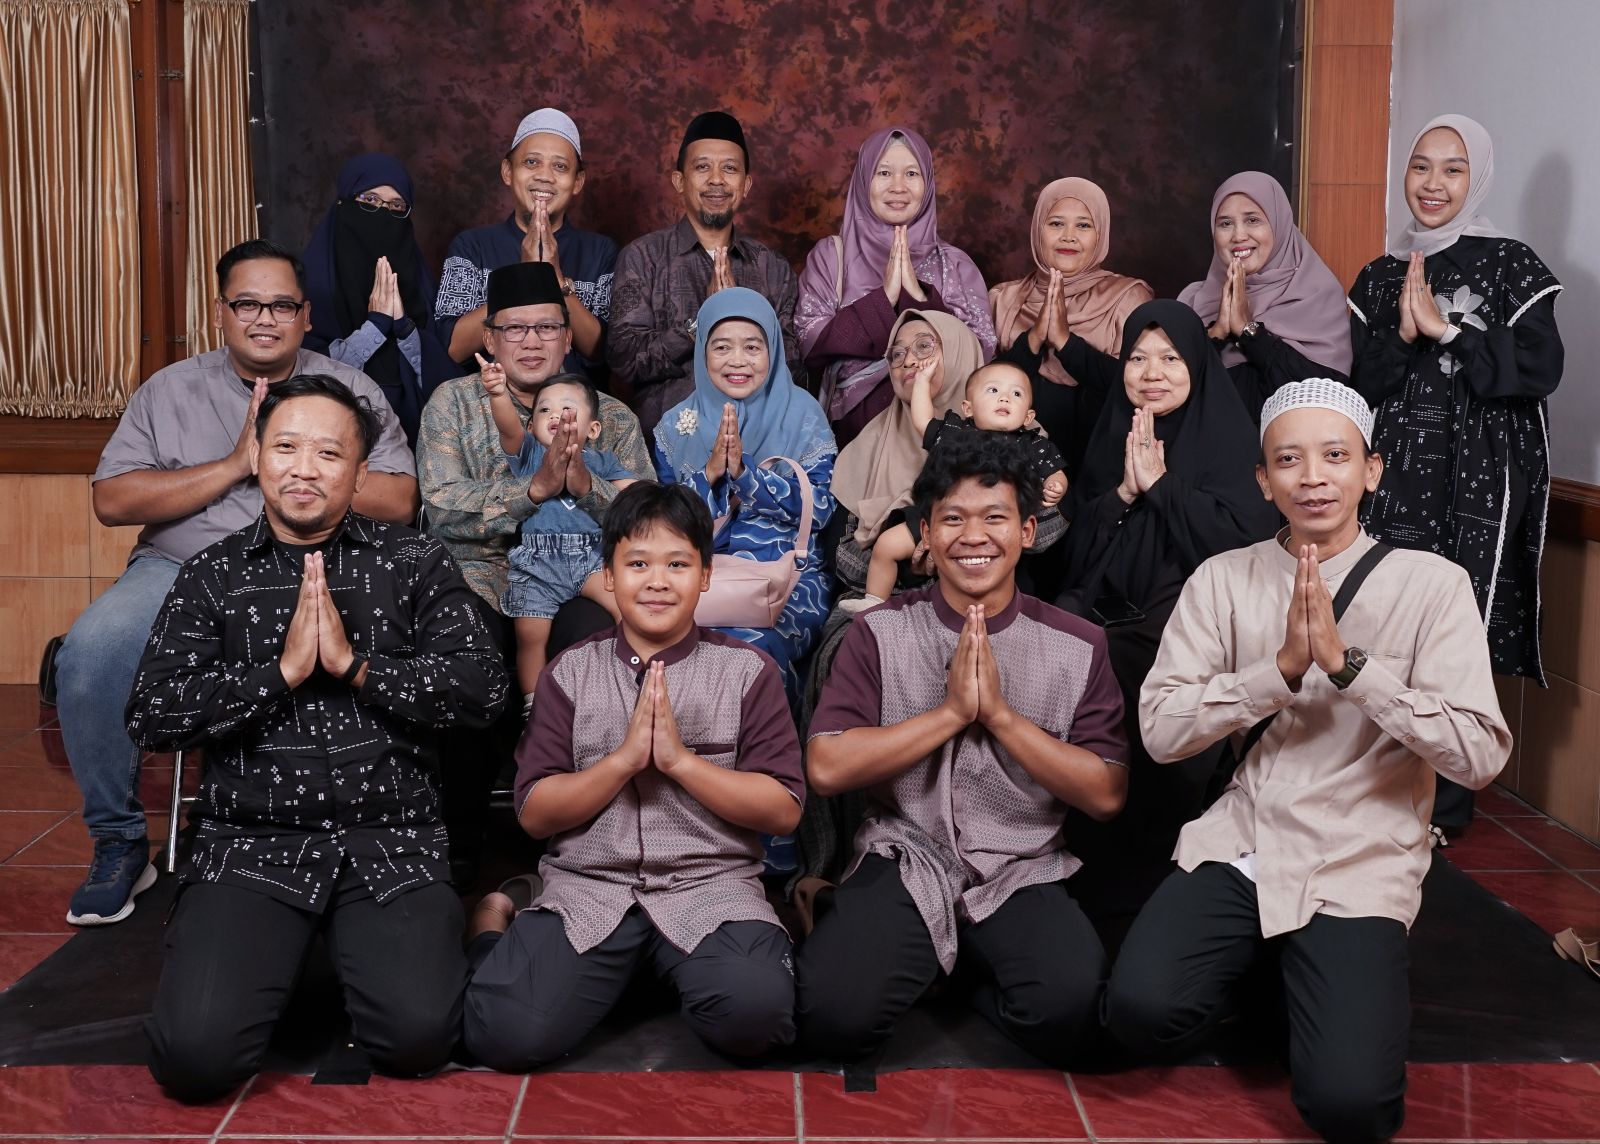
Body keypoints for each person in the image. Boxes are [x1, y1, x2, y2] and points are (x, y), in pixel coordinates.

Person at [1106, 379, 1511, 1144]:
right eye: (1289, 460)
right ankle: (1278, 964)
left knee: (1350, 1106)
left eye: (1335, 456)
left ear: (1372, 470)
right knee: (1139, 1014)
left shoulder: (1432, 585)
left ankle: (1317, 970)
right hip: (1246, 840)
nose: (1313, 477)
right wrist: (1279, 672)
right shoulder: (1223, 580)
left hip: (1360, 854)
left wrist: (1350, 668)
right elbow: (1161, 732)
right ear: (1265, 481)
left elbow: (1479, 754)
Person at [127, 375, 509, 1102]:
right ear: (257, 458)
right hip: (252, 842)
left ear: (360, 474)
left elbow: (484, 689)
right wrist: (280, 674)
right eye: (286, 448)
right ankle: (286, 946)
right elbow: (152, 714)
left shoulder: (414, 563)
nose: (305, 469)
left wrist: (358, 669)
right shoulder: (212, 575)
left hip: (390, 840)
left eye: (329, 453)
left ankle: (463, 930)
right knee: (194, 1062)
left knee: (418, 1042)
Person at [56, 239, 418, 928]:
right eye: (247, 303)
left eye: (281, 305)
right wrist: (235, 465)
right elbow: (112, 500)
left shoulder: (349, 389)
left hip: (317, 567)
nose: (264, 319)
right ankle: (118, 842)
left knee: (394, 641)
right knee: (91, 654)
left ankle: (373, 837)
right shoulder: (170, 389)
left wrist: (295, 471)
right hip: (180, 571)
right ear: (220, 311)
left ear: (306, 315)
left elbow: (400, 499)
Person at [796, 434, 1128, 1065]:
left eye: (995, 517)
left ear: (1026, 530)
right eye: (952, 519)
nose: (973, 536)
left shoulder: (1078, 644)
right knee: (831, 1018)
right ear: (925, 532)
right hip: (906, 856)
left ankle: (965, 973)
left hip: (1021, 865)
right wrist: (950, 714)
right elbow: (827, 767)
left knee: (1074, 1015)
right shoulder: (878, 633)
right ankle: (906, 940)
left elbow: (1107, 794)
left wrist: (999, 717)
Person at [461, 482, 805, 1070]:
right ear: (609, 576)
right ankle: (494, 926)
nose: (657, 581)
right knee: (501, 1034)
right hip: (589, 888)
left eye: (678, 564)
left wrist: (680, 763)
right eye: (638, 563)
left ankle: (643, 973)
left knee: (758, 1019)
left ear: (705, 576)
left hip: (711, 888)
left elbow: (783, 810)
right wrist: (622, 761)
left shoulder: (749, 672)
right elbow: (535, 813)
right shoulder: (569, 673)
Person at [416, 261, 653, 874]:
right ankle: (460, 852)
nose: (530, 341)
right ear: (489, 338)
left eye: (546, 327)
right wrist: (533, 492)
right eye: (513, 328)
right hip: (476, 575)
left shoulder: (610, 418)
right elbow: (442, 507)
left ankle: (587, 849)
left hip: (577, 575)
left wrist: (583, 485)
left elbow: (643, 521)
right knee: (465, 651)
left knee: (596, 644)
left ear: (567, 338)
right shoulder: (453, 404)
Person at [1050, 299, 1280, 924]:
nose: (1151, 373)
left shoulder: (1228, 438)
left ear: (1197, 366)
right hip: (1104, 607)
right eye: (1137, 359)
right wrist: (1125, 493)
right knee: (1062, 644)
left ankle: (1142, 872)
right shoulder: (1114, 431)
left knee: (1126, 663)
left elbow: (1244, 543)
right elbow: (1074, 548)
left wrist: (1162, 487)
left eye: (1170, 359)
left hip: (1189, 616)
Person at [1349, 116, 1561, 688]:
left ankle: (1453, 752)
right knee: (1381, 635)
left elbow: (1542, 368)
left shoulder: (1511, 263)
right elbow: (1360, 388)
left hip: (1477, 478)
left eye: (1453, 170)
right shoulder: (1378, 276)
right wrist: (1402, 336)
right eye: (1420, 166)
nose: (1433, 183)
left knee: (1459, 649)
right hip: (1392, 478)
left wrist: (1448, 332)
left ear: (1478, 178)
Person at [652, 287, 836, 700]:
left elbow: (821, 510)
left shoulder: (803, 414)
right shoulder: (674, 425)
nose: (737, 360)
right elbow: (665, 528)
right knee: (665, 646)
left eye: (753, 347)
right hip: (702, 577)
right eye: (721, 347)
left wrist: (746, 474)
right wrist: (711, 473)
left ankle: (764, 743)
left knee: (751, 650)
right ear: (702, 352)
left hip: (786, 579)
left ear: (773, 351)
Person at [830, 311, 1065, 604]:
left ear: (957, 352)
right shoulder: (872, 442)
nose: (909, 361)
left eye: (924, 346)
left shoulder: (1025, 436)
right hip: (895, 603)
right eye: (897, 354)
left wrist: (965, 551)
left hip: (993, 600)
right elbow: (842, 559)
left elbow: (1045, 535)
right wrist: (911, 571)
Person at [796, 126, 996, 443]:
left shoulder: (954, 264)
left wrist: (918, 296)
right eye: (884, 173)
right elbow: (808, 338)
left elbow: (979, 350)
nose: (898, 187)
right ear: (864, 181)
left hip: (939, 438)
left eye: (912, 174)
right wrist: (884, 298)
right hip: (855, 435)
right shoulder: (832, 257)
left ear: (927, 184)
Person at [607, 111, 803, 433]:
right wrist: (701, 321)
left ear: (746, 185)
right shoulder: (643, 258)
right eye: (702, 167)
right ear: (679, 181)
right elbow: (626, 361)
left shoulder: (772, 268)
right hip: (666, 445)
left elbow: (792, 368)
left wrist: (738, 323)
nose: (716, 180)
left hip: (758, 440)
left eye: (730, 168)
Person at [484, 365, 636, 709]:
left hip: (590, 558)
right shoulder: (530, 456)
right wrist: (498, 394)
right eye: (544, 410)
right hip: (538, 563)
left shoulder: (601, 461)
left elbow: (635, 495)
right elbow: (507, 427)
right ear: (531, 426)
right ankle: (533, 706)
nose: (556, 416)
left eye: (568, 408)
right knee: (530, 636)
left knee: (627, 608)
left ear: (593, 429)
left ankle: (632, 681)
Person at [434, 108, 616, 380]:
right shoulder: (472, 246)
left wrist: (554, 278)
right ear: (508, 171)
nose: (545, 176)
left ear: (577, 181)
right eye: (531, 162)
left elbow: (600, 351)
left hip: (575, 402)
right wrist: (523, 277)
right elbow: (453, 348)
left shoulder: (600, 251)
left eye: (560, 166)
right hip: (489, 399)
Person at [992, 177, 1153, 475]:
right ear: (1037, 229)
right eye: (1056, 223)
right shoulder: (1003, 299)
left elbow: (1138, 386)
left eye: (1083, 225)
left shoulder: (1128, 298)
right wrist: (1033, 339)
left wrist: (1066, 343)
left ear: (1100, 233)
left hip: (1103, 468)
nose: (1069, 236)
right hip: (1012, 469)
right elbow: (984, 393)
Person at [301, 152, 456, 445]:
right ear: (343, 202)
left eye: (396, 206)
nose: (383, 214)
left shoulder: (419, 282)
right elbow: (307, 376)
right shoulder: (310, 284)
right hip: (328, 437)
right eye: (370, 200)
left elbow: (444, 379)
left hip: (416, 440)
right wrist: (375, 328)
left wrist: (404, 329)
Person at [1177, 172, 1353, 423]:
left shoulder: (1318, 295)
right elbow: (1172, 395)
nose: (1238, 235)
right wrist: (1217, 332)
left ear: (1279, 223)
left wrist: (1247, 331)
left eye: (1253, 220)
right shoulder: (1192, 302)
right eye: (1225, 223)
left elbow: (1324, 400)